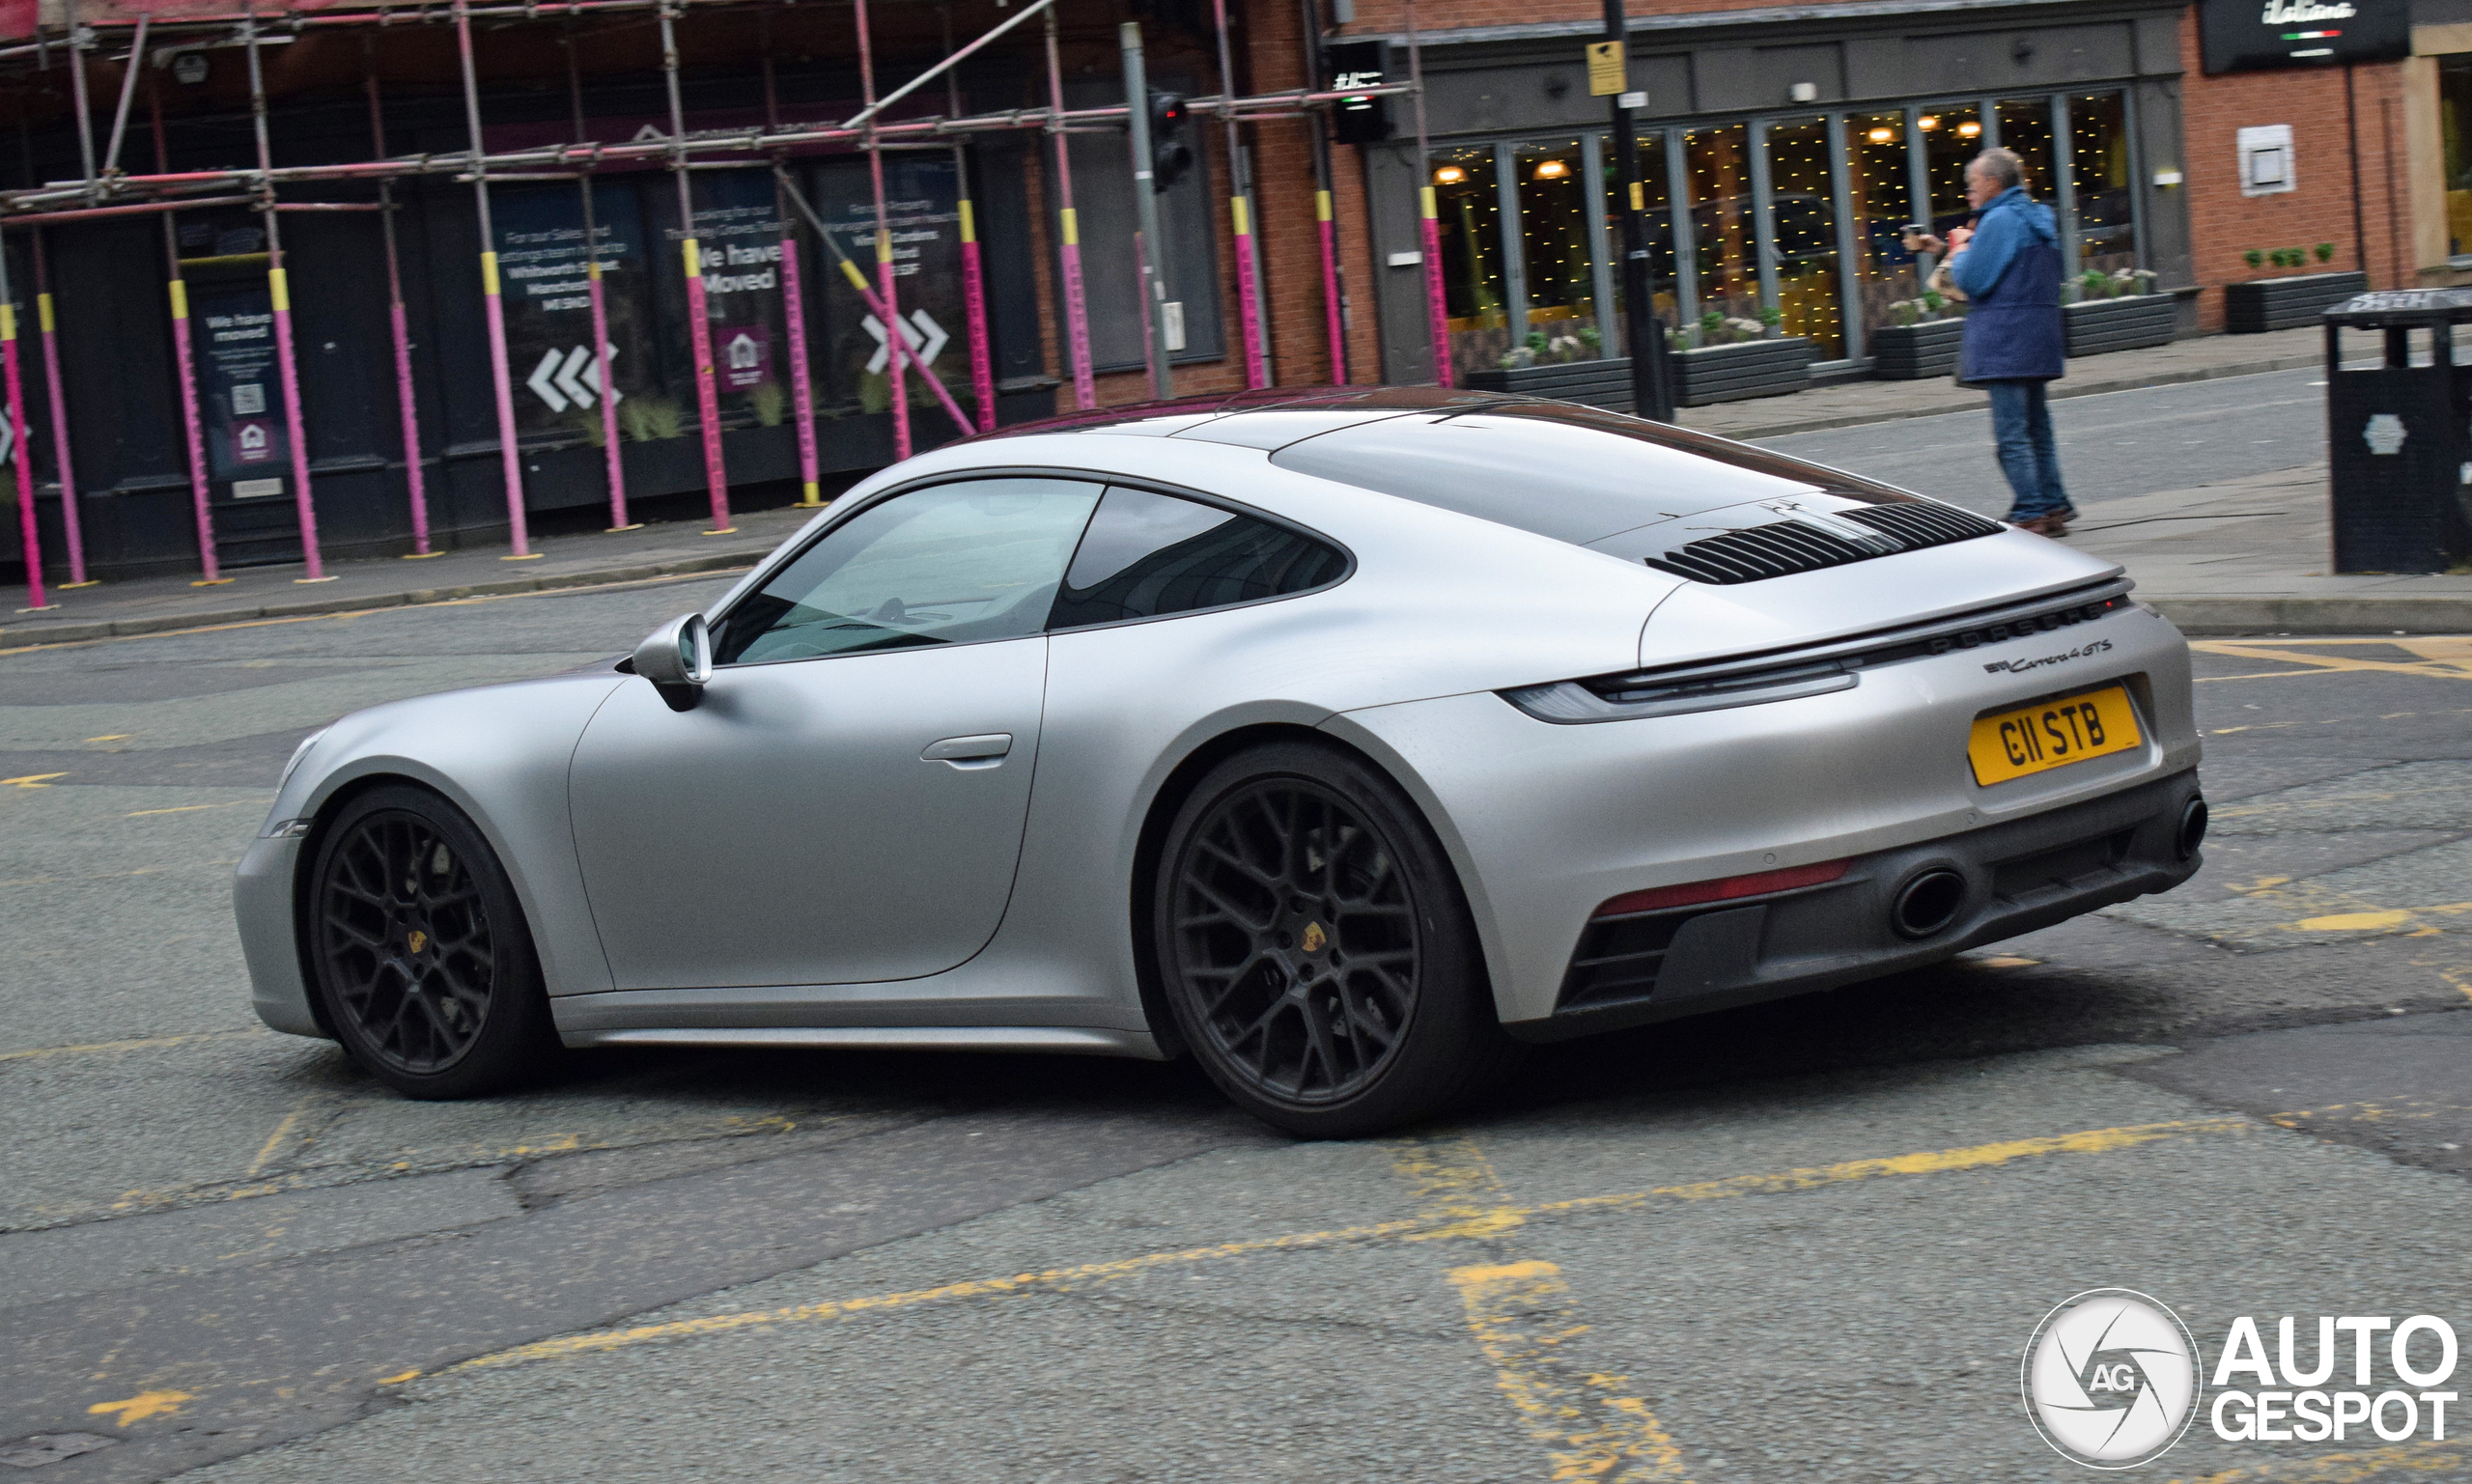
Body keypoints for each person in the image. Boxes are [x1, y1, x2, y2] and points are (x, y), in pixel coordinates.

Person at [1910, 149, 2073, 536]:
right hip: (2039, 332)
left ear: (1993, 184)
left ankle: (2031, 512)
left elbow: (1973, 281)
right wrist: (1948, 248)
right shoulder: (2038, 216)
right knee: (2038, 428)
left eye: (1972, 185)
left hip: (2006, 338)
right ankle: (2054, 506)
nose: (1969, 192)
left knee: (2011, 434)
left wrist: (1962, 249)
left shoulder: (1999, 219)